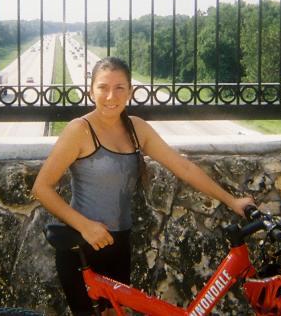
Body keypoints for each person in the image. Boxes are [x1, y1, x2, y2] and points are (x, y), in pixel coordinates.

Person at [31, 56, 255, 316]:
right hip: (82, 247)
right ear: (90, 90)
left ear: (130, 92)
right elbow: (42, 188)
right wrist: (85, 226)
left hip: (119, 246)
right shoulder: (79, 130)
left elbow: (183, 167)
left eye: (119, 88)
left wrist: (232, 201)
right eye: (103, 87)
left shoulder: (137, 129)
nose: (110, 96)